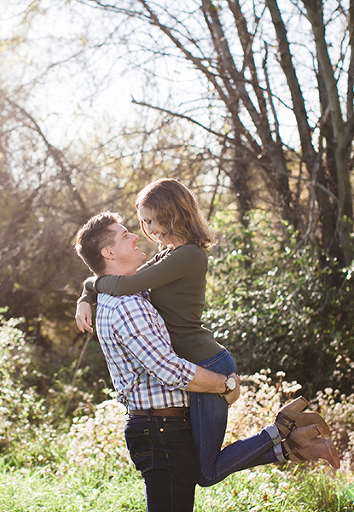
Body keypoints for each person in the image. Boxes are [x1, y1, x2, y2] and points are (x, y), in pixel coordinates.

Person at [75, 180, 339, 489]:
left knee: (207, 472)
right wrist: (86, 294)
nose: (144, 229)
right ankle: (294, 446)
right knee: (205, 470)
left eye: (149, 220)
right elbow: (122, 283)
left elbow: (120, 286)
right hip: (197, 368)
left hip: (209, 365)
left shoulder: (188, 256)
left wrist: (89, 287)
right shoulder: (166, 255)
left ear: (170, 215)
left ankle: (281, 429)